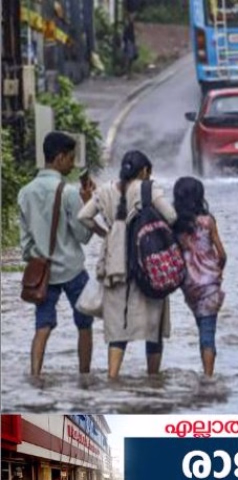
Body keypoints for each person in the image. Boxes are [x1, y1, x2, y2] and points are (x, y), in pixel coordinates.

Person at [78, 151, 177, 380]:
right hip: (147, 261)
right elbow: (171, 216)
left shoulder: (103, 191)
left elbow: (84, 216)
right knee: (153, 328)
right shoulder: (148, 190)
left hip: (115, 263)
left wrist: (107, 233)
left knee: (117, 327)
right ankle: (153, 380)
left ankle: (113, 378)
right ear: (144, 171)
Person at [18, 131, 97, 378]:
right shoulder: (69, 193)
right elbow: (83, 236)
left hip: (42, 273)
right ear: (60, 157)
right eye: (71, 158)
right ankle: (84, 377)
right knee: (85, 325)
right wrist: (88, 204)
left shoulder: (25, 192)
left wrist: (38, 256)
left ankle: (35, 377)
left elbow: (25, 243)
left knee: (42, 326)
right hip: (72, 269)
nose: (72, 164)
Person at [173, 177, 227, 378]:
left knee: (201, 327)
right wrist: (218, 271)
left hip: (188, 285)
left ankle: (206, 374)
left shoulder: (176, 223)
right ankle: (208, 377)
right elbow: (221, 254)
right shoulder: (207, 222)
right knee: (207, 333)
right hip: (209, 285)